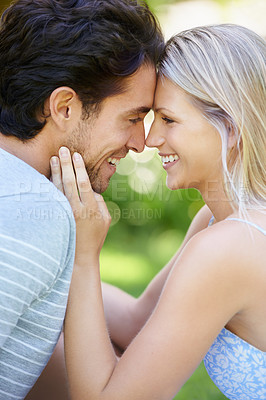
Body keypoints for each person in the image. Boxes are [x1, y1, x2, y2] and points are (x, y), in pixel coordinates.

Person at [51, 24, 266, 400]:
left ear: (230, 129)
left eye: (168, 119)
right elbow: (138, 321)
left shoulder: (230, 247)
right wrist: (45, 271)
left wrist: (85, 256)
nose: (150, 139)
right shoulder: (216, 222)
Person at [0, 0, 164, 398]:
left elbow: (136, 323)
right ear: (64, 107)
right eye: (131, 118)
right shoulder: (34, 209)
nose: (141, 143)